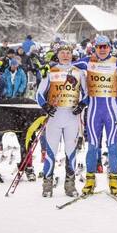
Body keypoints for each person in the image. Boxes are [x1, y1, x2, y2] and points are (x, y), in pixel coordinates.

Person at [73, 35, 117, 196]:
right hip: (93, 110)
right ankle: (90, 179)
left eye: (105, 46)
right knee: (93, 146)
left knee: (112, 144)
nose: (102, 49)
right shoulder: (87, 61)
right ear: (94, 48)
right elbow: (67, 67)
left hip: (112, 109)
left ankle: (113, 179)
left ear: (110, 47)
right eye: (99, 47)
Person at [36, 43, 87, 197]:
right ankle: (47, 184)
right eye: (62, 53)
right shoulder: (50, 71)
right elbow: (38, 94)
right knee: (51, 153)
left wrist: (82, 105)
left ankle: (70, 185)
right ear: (57, 55)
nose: (65, 55)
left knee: (71, 153)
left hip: (71, 117)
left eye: (68, 53)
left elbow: (86, 94)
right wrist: (45, 106)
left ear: (72, 55)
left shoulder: (79, 73)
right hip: (54, 118)